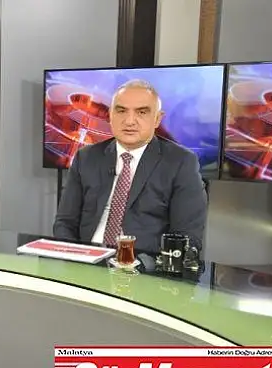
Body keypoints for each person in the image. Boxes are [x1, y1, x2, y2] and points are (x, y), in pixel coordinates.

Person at [52, 79, 207, 254]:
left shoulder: (181, 162)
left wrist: (143, 264)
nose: (129, 121)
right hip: (87, 258)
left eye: (142, 112)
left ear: (157, 119)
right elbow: (65, 223)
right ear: (110, 115)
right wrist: (74, 257)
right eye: (121, 111)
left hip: (143, 264)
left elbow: (187, 237)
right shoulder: (86, 157)